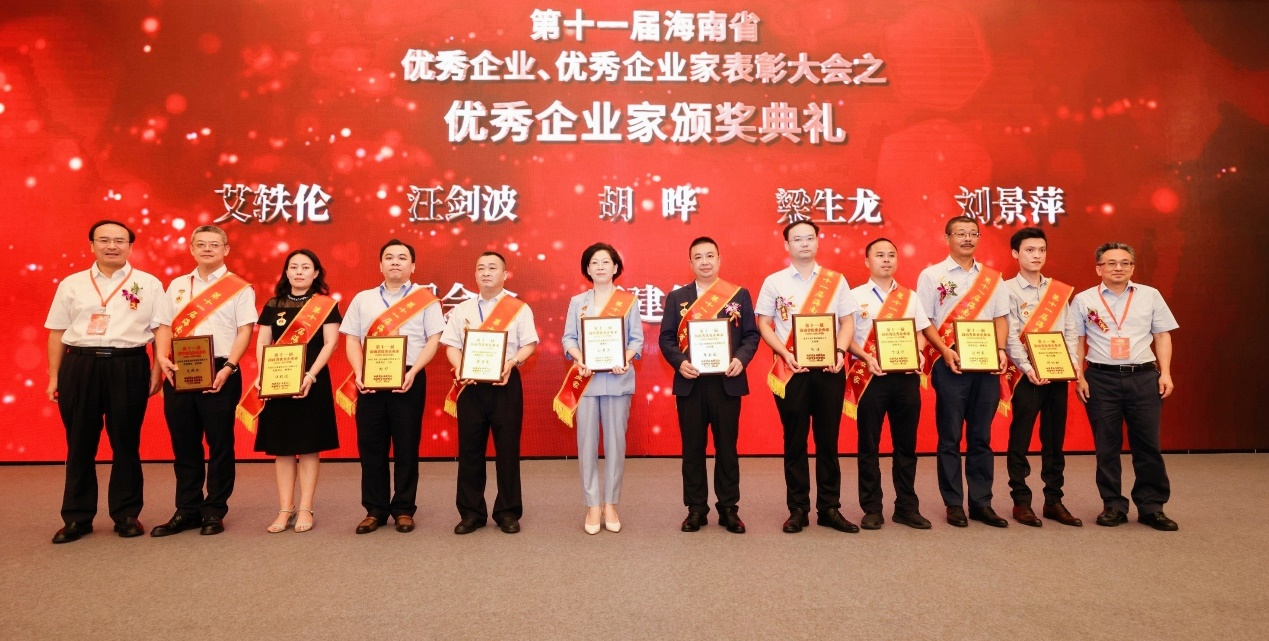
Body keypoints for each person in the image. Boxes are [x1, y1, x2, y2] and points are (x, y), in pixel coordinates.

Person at [756, 220, 880, 534]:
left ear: (817, 242)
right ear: (787, 245)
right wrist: (784, 353)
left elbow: (847, 322)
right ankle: (797, 509)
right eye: (797, 239)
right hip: (791, 371)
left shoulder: (835, 281)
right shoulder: (774, 282)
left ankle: (829, 508)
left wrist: (839, 351)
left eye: (809, 238)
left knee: (828, 441)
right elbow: (764, 324)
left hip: (829, 370)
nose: (804, 243)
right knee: (794, 441)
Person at [44, 220, 164, 543]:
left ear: (130, 246)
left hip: (128, 364)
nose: (112, 246)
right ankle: (77, 517)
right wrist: (54, 376)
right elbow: (57, 331)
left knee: (126, 441)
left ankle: (126, 514)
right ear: (91, 245)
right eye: (104, 240)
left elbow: (160, 329)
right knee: (79, 442)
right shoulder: (71, 284)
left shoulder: (148, 283)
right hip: (80, 365)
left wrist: (157, 369)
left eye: (120, 240)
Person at [150, 225, 256, 537]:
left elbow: (245, 331)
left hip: (221, 369)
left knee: (220, 443)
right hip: (180, 369)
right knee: (184, 442)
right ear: (192, 249)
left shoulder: (239, 288)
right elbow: (164, 325)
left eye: (214, 244)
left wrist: (230, 367)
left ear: (226, 249)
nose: (207, 249)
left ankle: (214, 510)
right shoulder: (177, 285)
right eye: (201, 244)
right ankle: (186, 509)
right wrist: (162, 357)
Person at [338, 239, 444, 534]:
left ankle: (404, 509)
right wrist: (359, 372)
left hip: (409, 377)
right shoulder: (363, 299)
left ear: (413, 265)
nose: (395, 262)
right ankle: (375, 510)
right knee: (371, 445)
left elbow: (434, 339)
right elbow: (351, 339)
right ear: (380, 264)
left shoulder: (426, 299)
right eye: (389, 257)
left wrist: (415, 371)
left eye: (402, 257)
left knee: (407, 445)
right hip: (370, 379)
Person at [1072, 242, 1179, 531]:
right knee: (1106, 445)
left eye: (1125, 263)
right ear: (1099, 268)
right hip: (1101, 378)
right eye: (1111, 263)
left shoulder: (1150, 295)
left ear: (1132, 267)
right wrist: (1079, 376)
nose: (1118, 268)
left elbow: (1163, 336)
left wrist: (1165, 373)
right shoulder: (1083, 299)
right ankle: (1113, 505)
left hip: (1143, 377)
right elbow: (1077, 340)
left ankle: (1152, 507)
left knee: (1148, 444)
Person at [658, 236, 760, 534]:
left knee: (727, 447)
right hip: (691, 383)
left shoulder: (738, 295)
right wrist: (679, 362)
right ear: (690, 263)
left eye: (710, 256)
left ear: (719, 259)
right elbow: (666, 338)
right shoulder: (677, 298)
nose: (705, 262)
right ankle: (696, 509)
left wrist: (741, 359)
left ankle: (729, 508)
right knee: (693, 448)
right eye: (698, 257)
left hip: (727, 381)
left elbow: (751, 335)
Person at [917, 216, 1011, 528]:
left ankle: (982, 503)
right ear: (947, 238)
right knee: (950, 436)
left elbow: (1000, 318)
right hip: (952, 362)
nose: (967, 238)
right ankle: (954, 503)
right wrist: (944, 351)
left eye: (973, 233)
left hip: (986, 363)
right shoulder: (932, 275)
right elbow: (925, 320)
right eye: (961, 233)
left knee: (981, 436)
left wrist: (1000, 350)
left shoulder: (993, 278)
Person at [245, 249, 342, 533]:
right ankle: (285, 508)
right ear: (286, 272)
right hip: (278, 381)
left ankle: (305, 508)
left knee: (309, 447)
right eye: (294, 267)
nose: (299, 272)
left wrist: (311, 375)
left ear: (316, 273)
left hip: (312, 382)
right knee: (282, 448)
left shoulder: (325, 305)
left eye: (305, 267)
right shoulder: (273, 304)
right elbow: (262, 341)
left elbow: (331, 343)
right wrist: (264, 374)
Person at [441, 252, 539, 535]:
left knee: (507, 450)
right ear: (475, 275)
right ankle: (471, 513)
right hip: (470, 387)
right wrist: (460, 368)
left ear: (504, 274)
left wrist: (512, 362)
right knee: (470, 451)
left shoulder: (519, 308)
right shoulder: (462, 309)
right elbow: (451, 345)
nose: (486, 272)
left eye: (492, 268)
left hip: (505, 383)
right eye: (481, 268)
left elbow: (529, 343)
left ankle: (508, 511)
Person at [844, 237, 932, 530]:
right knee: (868, 445)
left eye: (891, 255)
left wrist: (919, 352)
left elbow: (920, 332)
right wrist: (866, 357)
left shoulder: (910, 297)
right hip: (871, 377)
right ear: (867, 261)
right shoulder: (854, 296)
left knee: (906, 445)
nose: (886, 260)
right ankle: (872, 508)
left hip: (906, 378)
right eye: (879, 255)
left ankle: (907, 507)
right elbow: (846, 337)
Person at [557, 243, 643, 534]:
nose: (601, 267)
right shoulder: (577, 302)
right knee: (587, 444)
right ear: (587, 269)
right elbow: (568, 339)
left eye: (606, 262)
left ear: (616, 267)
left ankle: (611, 503)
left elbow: (636, 341)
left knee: (616, 445)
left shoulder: (628, 301)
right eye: (594, 262)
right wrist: (580, 358)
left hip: (618, 381)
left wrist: (625, 359)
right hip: (586, 382)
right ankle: (593, 504)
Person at [1000, 227, 1083, 527]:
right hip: (1027, 377)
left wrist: (1072, 364)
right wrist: (1027, 367)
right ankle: (1021, 501)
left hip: (1057, 374)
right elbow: (1009, 335)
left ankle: (1053, 500)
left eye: (1041, 250)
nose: (1036, 255)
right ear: (1015, 253)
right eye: (1030, 250)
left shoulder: (1057, 290)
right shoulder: (1006, 289)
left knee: (1054, 439)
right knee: (1020, 439)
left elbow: (1070, 331)